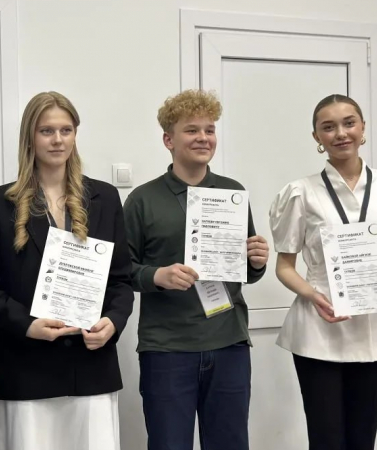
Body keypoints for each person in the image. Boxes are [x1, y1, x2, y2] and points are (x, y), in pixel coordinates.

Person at [0, 91, 133, 450]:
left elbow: (121, 280)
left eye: (66, 130)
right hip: (26, 367)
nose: (58, 140)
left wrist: (112, 322)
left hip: (91, 366)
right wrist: (26, 325)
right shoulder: (1, 202)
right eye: (47, 131)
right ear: (30, 137)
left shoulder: (105, 198)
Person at [269, 94, 377, 450]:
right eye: (329, 127)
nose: (340, 133)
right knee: (326, 440)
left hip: (374, 326)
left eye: (349, 123)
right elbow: (284, 266)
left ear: (363, 128)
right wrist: (314, 296)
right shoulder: (301, 192)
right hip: (318, 327)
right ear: (317, 137)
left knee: (362, 439)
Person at [123, 89, 269, 450]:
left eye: (210, 130)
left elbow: (246, 272)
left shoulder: (232, 193)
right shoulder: (142, 199)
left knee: (230, 444)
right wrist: (157, 276)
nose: (203, 138)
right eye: (191, 130)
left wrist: (256, 261)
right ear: (168, 140)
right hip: (167, 348)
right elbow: (121, 269)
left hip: (229, 343)